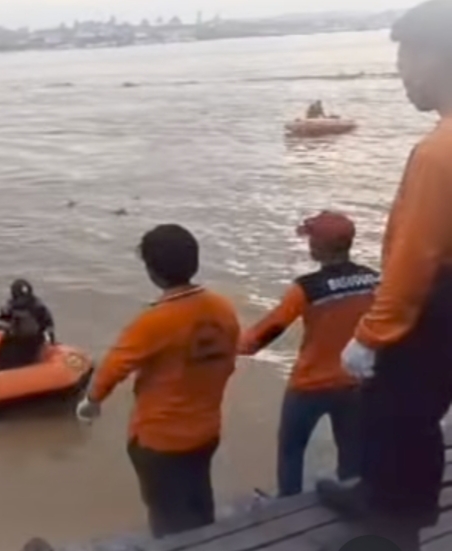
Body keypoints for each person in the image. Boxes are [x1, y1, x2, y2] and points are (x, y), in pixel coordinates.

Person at [316, 3, 452, 550]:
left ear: (437, 57)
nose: (401, 75)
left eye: (405, 60)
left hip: (435, 304)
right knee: (423, 414)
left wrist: (371, 336)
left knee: (397, 415)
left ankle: (392, 526)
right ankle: (387, 499)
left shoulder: (438, 153)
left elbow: (414, 258)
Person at [76, 224, 239, 537]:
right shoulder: (224, 308)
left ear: (152, 272)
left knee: (167, 519)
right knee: (199, 502)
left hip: (160, 440)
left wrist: (91, 402)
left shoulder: (153, 321)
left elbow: (112, 369)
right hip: (207, 431)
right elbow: (230, 360)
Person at [238, 211, 378, 497]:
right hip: (354, 381)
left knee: (291, 450)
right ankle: (351, 498)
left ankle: (287, 504)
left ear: (318, 247)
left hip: (309, 385)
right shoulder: (374, 280)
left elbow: (262, 335)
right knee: (351, 451)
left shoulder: (307, 288)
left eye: (311, 239)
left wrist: (227, 346)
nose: (309, 244)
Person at [0, 279, 56, 343]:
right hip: (27, 339)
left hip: (25, 339)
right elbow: (49, 324)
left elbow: (48, 325)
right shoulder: (38, 305)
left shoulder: (38, 306)